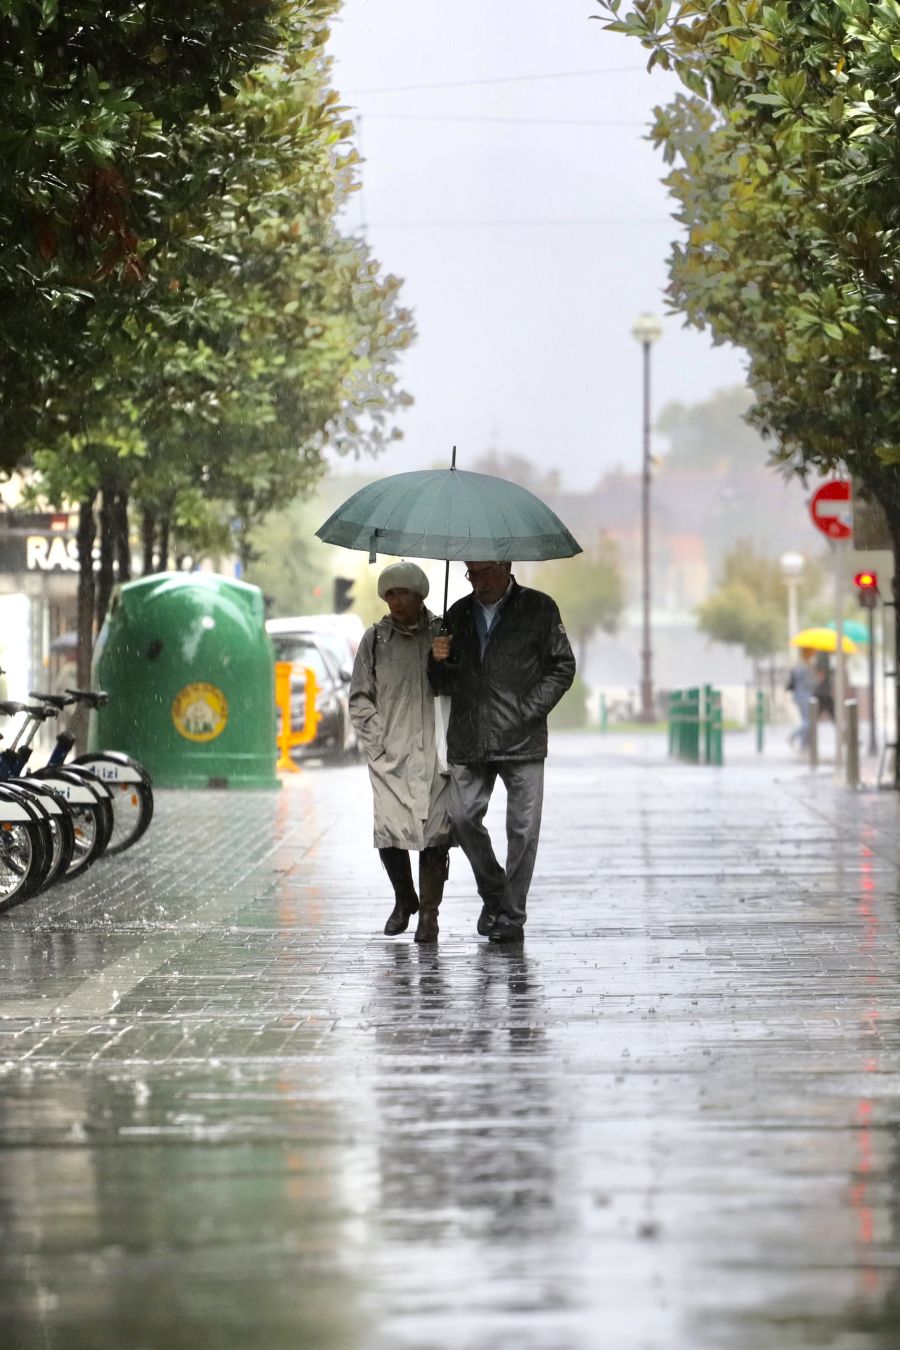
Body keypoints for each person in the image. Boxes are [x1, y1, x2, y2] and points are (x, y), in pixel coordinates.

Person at [429, 559, 576, 944]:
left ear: (505, 566)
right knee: (461, 818)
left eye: (483, 572)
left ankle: (511, 916)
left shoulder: (539, 608)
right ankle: (495, 893)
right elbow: (441, 684)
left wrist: (528, 711)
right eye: (471, 573)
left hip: (522, 739)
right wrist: (437, 660)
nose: (476, 581)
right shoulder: (457, 614)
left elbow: (563, 666)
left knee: (523, 831)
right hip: (469, 736)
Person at [349, 561, 451, 943]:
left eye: (402, 593)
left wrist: (446, 660)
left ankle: (429, 915)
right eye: (389, 594)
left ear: (419, 594)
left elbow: (461, 683)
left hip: (435, 751)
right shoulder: (375, 640)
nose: (395, 601)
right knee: (390, 831)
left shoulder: (443, 632)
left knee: (435, 834)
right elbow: (360, 696)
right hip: (391, 755)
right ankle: (404, 897)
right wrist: (377, 743)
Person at [786, 647, 814, 748]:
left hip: (803, 695)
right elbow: (805, 682)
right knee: (809, 720)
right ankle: (793, 735)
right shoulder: (802, 666)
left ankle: (804, 743)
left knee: (806, 720)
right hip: (802, 695)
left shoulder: (805, 665)